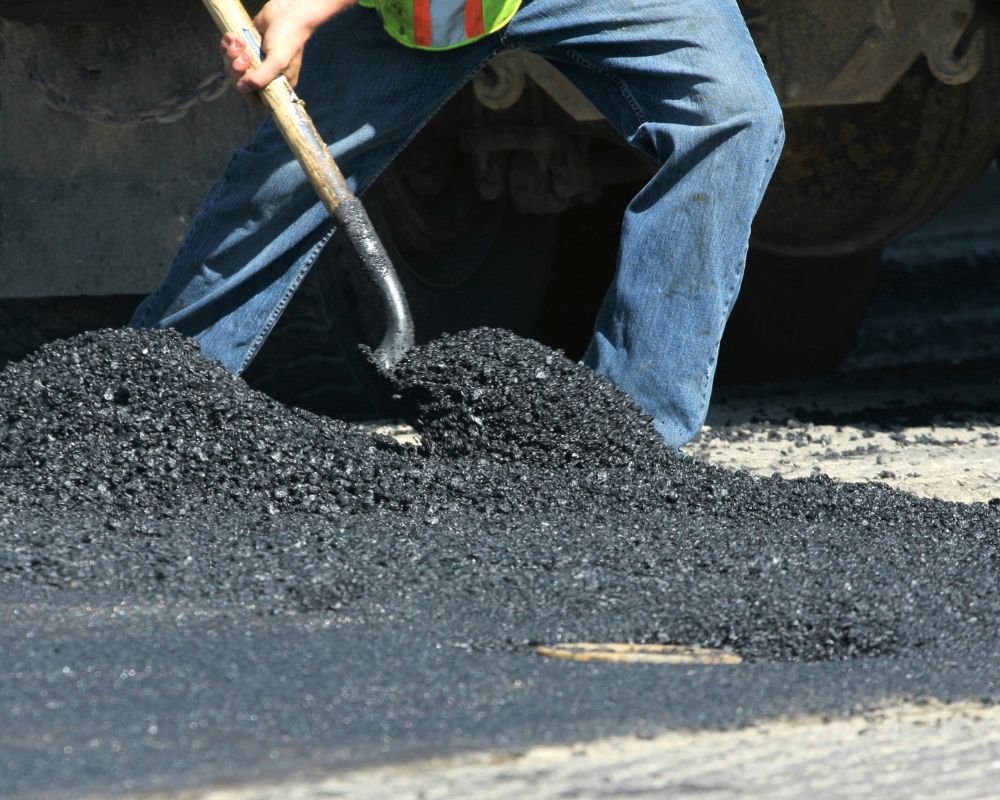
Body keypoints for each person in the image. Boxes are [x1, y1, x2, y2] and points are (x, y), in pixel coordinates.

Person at [130, 0, 784, 447]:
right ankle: (142, 401)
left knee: (731, 116)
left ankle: (631, 436)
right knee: (285, 180)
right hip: (417, 13)